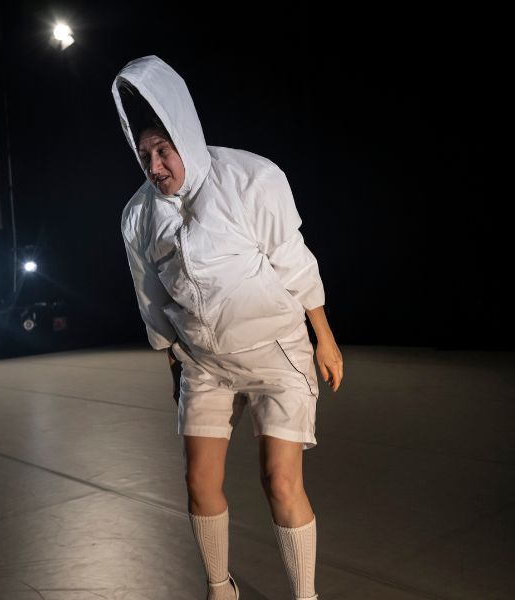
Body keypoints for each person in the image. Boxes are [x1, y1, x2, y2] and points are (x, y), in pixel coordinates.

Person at [112, 56, 343, 600]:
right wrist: (173, 358)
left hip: (275, 352)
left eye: (163, 151)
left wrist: (324, 338)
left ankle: (305, 596)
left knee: (280, 482)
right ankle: (221, 588)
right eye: (144, 155)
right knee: (198, 482)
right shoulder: (139, 214)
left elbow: (294, 260)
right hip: (204, 362)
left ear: (185, 139)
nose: (155, 166)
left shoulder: (252, 178)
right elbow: (151, 296)